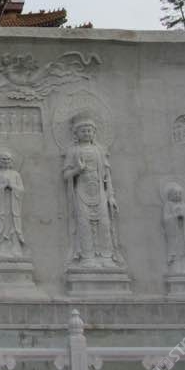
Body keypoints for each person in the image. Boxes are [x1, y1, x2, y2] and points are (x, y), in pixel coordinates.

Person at [62, 112, 119, 267]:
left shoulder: (99, 150)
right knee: (84, 224)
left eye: (89, 130)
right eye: (83, 131)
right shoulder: (73, 151)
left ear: (94, 132)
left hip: (99, 191)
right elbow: (66, 175)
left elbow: (107, 176)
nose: (87, 133)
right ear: (76, 133)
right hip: (81, 191)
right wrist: (77, 170)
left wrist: (111, 196)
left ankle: (107, 257)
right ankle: (87, 257)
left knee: (104, 224)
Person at [0, 150, 26, 257]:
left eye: (8, 159)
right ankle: (1, 249)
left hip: (13, 205)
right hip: (0, 206)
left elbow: (21, 190)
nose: (6, 161)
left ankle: (15, 249)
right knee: (2, 225)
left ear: (11, 161)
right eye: (3, 159)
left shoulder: (16, 174)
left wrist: (12, 187)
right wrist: (3, 186)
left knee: (13, 226)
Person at [162, 183, 185, 275]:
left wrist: (184, 217)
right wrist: (175, 216)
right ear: (171, 195)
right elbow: (166, 220)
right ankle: (175, 268)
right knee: (176, 251)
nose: (178, 196)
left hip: (184, 233)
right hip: (174, 234)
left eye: (179, 194)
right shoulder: (168, 205)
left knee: (184, 251)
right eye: (176, 194)